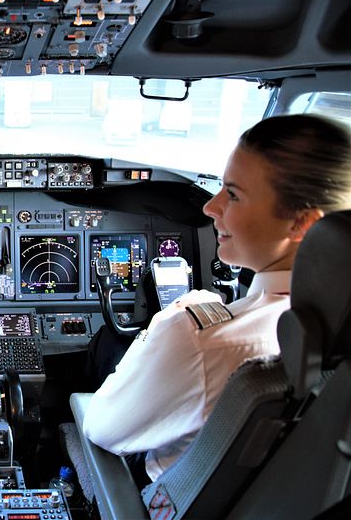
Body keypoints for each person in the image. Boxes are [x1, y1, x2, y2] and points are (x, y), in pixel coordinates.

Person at [83, 114, 351, 484]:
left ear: (301, 223)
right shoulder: (332, 334)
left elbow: (101, 427)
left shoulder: (202, 339)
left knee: (109, 344)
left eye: (234, 194)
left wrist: (163, 326)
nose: (211, 207)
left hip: (166, 494)